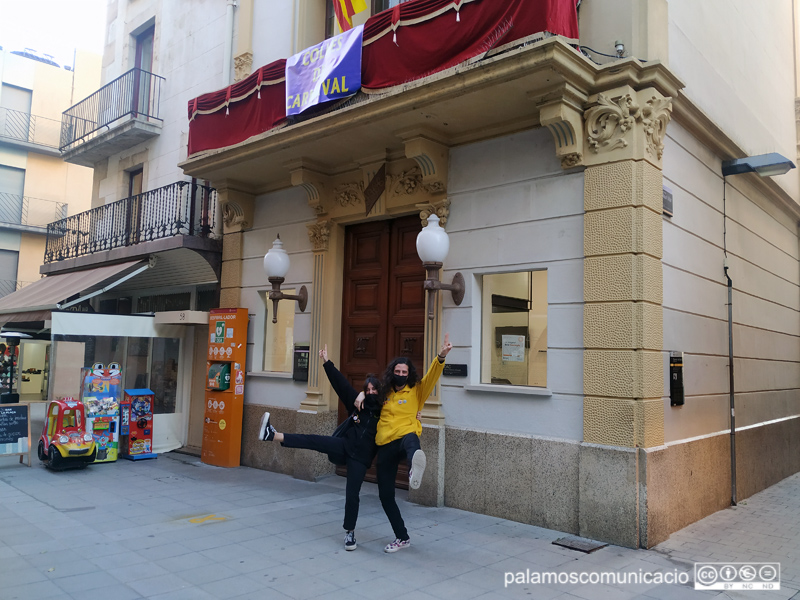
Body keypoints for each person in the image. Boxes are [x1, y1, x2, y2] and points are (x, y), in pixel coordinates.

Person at [258, 344, 382, 551]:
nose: (370, 393)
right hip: (344, 445)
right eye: (366, 389)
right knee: (313, 440)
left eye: (373, 390)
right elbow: (340, 384)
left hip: (360, 460)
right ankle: (272, 435)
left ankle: (349, 533)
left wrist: (416, 416)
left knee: (352, 495)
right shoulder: (357, 404)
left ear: (379, 391)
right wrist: (327, 361)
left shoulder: (384, 413)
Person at [376, 333, 452, 553]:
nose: (401, 375)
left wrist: (440, 357)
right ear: (393, 373)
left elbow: (431, 377)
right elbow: (369, 397)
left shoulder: (417, 391)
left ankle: (413, 468)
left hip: (405, 436)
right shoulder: (385, 391)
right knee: (385, 496)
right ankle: (402, 537)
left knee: (411, 441)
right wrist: (362, 395)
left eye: (404, 372)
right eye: (398, 372)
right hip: (384, 444)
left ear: (409, 374)